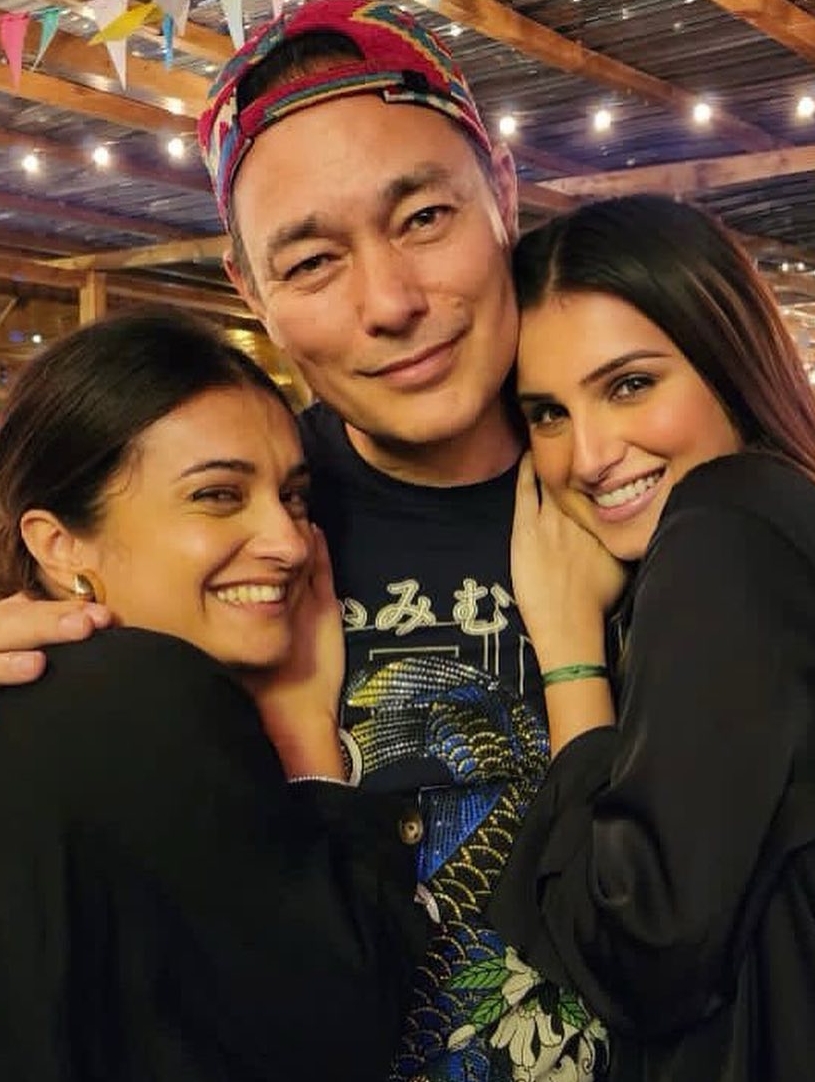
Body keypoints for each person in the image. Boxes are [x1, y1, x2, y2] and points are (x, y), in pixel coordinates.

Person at [0, 4, 612, 1079]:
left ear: (504, 196)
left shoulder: (640, 484)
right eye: (314, 260)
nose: (391, 302)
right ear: (252, 290)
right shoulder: (217, 556)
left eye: (424, 216)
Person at [486, 194, 815, 1081]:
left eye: (629, 385)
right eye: (547, 413)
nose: (590, 455)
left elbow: (637, 948)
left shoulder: (723, 528)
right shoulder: (814, 522)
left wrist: (571, 659)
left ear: (726, 359)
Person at [0, 307, 426, 1081]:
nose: (289, 542)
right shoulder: (145, 691)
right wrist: (304, 729)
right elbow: (337, 1028)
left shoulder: (35, 700)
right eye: (218, 496)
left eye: (294, 497)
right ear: (58, 543)